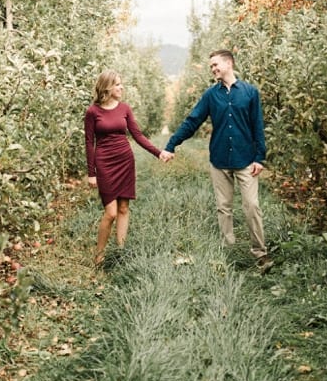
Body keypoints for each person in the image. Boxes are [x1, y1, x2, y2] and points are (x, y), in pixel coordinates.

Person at [161, 49, 272, 270]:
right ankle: (229, 251)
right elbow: (192, 121)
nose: (212, 69)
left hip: (246, 160)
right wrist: (171, 144)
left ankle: (260, 253)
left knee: (252, 205)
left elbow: (257, 126)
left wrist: (260, 157)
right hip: (220, 160)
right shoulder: (211, 95)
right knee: (224, 207)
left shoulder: (250, 92)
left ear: (229, 64)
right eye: (211, 66)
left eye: (215, 65)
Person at [84, 69, 169, 265]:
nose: (121, 87)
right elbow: (89, 142)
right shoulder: (93, 112)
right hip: (104, 162)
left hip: (125, 160)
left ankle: (120, 252)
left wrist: (158, 152)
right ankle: (99, 255)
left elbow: (137, 135)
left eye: (121, 84)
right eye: (117, 84)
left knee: (123, 208)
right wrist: (91, 173)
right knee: (111, 212)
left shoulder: (125, 109)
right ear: (107, 87)